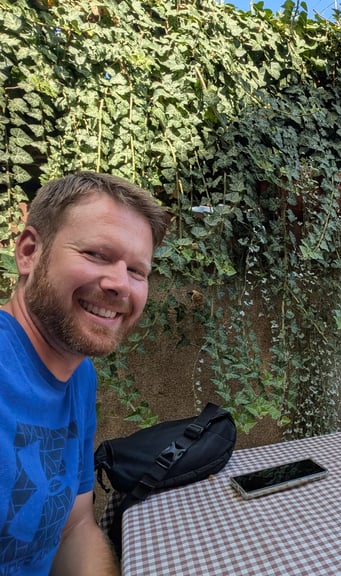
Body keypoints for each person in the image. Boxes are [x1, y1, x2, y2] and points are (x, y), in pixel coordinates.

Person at [0, 172, 168, 574]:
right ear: (28, 252)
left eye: (137, 272)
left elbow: (74, 527)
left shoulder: (80, 375)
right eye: (96, 254)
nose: (119, 285)